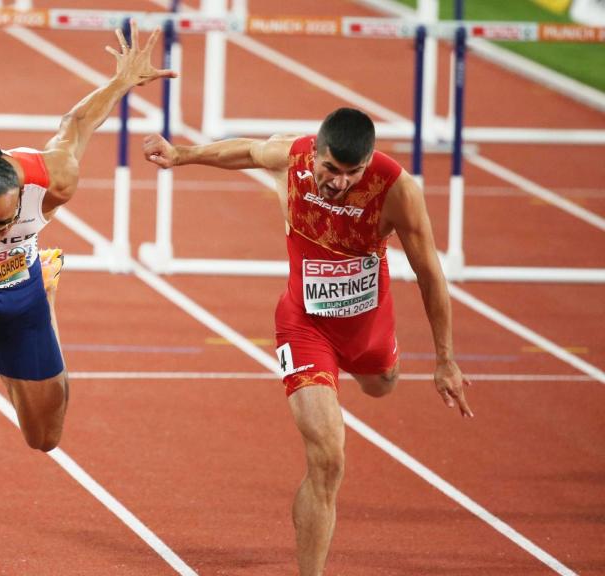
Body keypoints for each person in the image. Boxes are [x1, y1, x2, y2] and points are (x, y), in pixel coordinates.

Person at [0, 0, 176, 573]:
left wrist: (120, 83)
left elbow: (77, 127)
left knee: (44, 438)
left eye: (2, 223)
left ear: (21, 197)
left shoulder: (53, 178)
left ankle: (45, 292)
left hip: (21, 291)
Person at [143, 107, 474, 575]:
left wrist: (446, 359)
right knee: (328, 459)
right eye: (331, 169)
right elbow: (245, 151)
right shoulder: (290, 155)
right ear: (315, 151)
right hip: (304, 325)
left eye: (352, 173)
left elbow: (430, 275)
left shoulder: (397, 191)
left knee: (382, 383)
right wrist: (183, 155)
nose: (339, 182)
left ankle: (378, 364)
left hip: (368, 324)